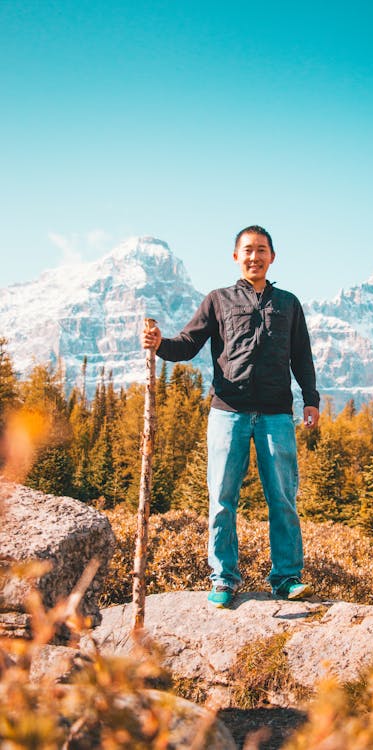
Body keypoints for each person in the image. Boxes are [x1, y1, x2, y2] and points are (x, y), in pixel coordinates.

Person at [142, 225, 320, 608]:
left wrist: (311, 399)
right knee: (222, 499)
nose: (254, 257)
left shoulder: (288, 303)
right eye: (247, 250)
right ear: (235, 256)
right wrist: (160, 346)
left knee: (283, 499)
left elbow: (301, 355)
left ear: (273, 256)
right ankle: (223, 579)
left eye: (261, 250)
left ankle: (287, 578)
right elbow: (188, 344)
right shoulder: (218, 300)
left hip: (276, 416)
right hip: (228, 414)